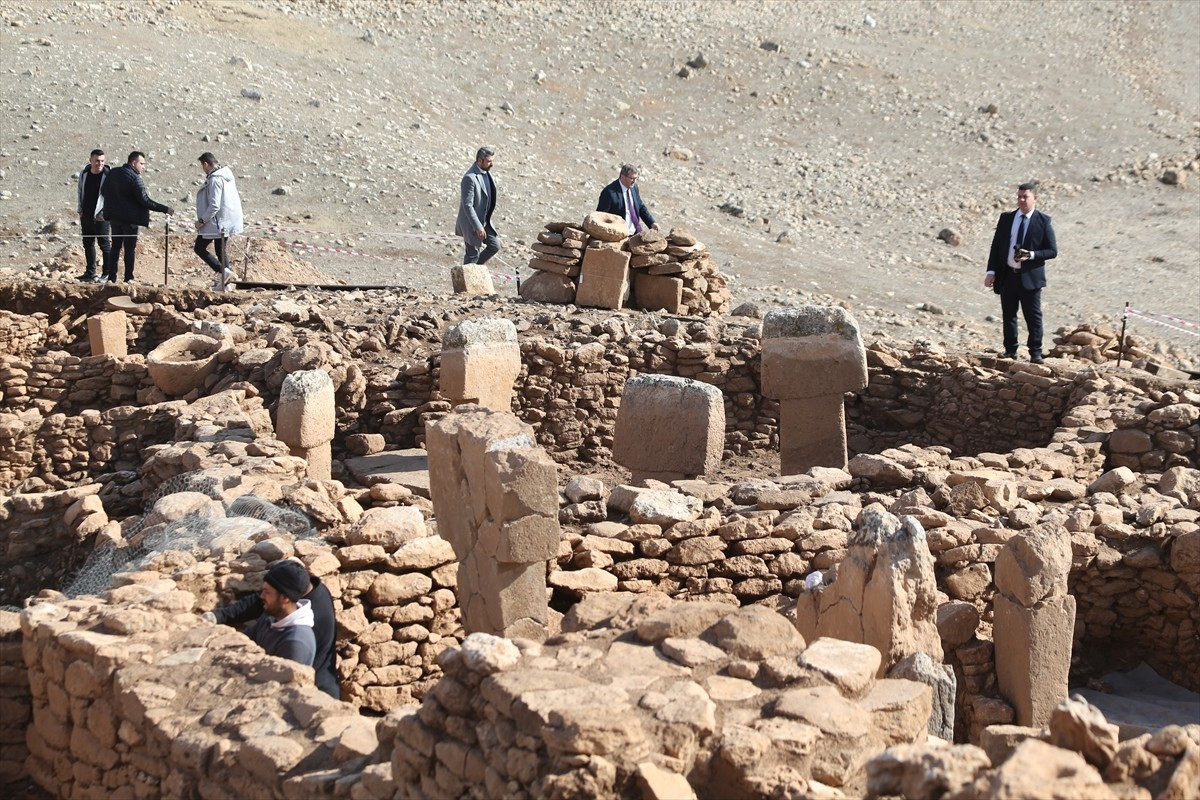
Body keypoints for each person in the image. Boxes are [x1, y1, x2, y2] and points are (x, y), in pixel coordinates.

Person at [204, 559, 339, 697]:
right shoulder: (278, 612)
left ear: (286, 597)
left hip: (317, 694)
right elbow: (257, 604)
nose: (262, 596)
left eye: (267, 592)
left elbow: (286, 685)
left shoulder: (298, 638)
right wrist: (219, 617)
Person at [984, 182, 1057, 363]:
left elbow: (1052, 251)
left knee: (1033, 316)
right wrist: (991, 271)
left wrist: (1030, 255)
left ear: (1035, 198)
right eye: (1019, 196)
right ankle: (1010, 350)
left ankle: (1036, 352)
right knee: (1009, 314)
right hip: (1008, 275)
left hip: (1030, 277)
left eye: (1025, 197)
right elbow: (996, 246)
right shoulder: (1006, 218)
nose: (1022, 200)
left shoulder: (1043, 221)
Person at [97, 150, 174, 283]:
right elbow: (145, 200)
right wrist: (165, 209)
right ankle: (128, 278)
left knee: (115, 247)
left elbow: (104, 191)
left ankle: (112, 277)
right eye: (141, 164)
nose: (143, 167)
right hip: (130, 220)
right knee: (129, 249)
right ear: (133, 163)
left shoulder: (113, 173)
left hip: (114, 217)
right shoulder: (134, 178)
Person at [192, 152, 244, 291]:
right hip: (227, 219)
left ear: (206, 164)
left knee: (199, 247)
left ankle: (223, 272)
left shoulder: (215, 179)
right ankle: (226, 285)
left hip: (218, 222)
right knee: (221, 250)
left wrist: (201, 221)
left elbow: (214, 205)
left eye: (202, 166)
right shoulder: (226, 176)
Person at [454, 146, 500, 265]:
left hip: (485, 221)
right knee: (472, 255)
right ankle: (467, 274)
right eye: (489, 161)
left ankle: (474, 269)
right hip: (471, 224)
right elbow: (467, 205)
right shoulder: (469, 178)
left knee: (494, 246)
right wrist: (478, 226)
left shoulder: (487, 173)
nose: (492, 164)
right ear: (479, 160)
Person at [76, 149, 110, 283]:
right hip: (86, 214)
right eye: (97, 161)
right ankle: (90, 272)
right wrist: (80, 209)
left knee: (104, 244)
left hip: (102, 216)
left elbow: (111, 197)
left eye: (102, 161)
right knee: (88, 243)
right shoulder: (84, 173)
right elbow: (80, 191)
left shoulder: (108, 175)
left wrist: (104, 213)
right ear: (90, 160)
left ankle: (107, 273)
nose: (100, 163)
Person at [597, 164, 659, 236]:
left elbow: (640, 206)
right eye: (632, 178)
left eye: (636, 178)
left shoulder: (634, 187)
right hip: (618, 234)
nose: (634, 181)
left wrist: (651, 223)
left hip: (635, 232)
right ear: (622, 177)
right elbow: (601, 216)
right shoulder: (609, 193)